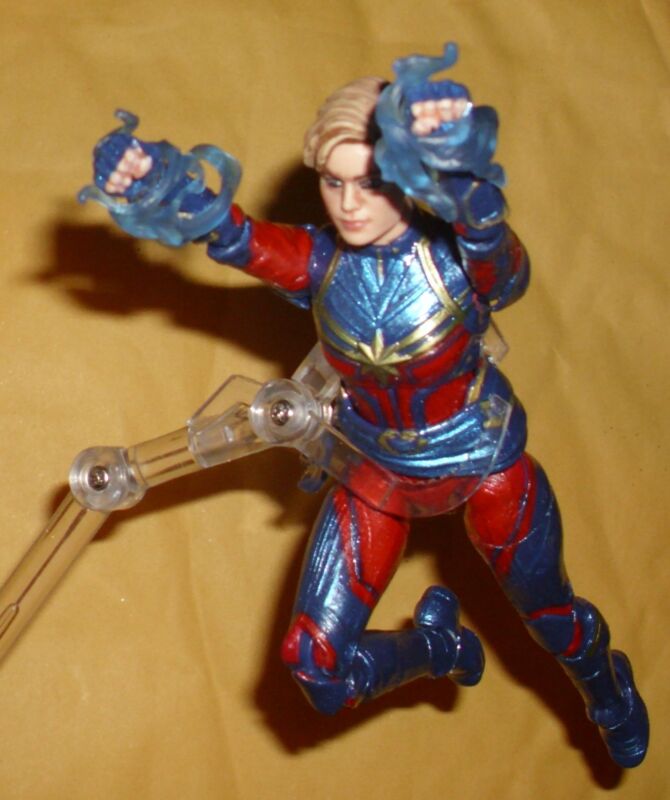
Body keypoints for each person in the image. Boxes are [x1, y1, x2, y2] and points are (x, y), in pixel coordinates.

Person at [89, 45, 648, 768]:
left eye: (372, 182)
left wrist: (458, 168)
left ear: (408, 177)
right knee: (316, 668)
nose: (350, 204)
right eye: (334, 181)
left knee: (552, 617)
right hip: (376, 473)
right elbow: (231, 235)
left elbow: (503, 263)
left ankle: (605, 690)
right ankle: (437, 647)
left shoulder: (456, 259)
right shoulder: (321, 264)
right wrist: (152, 178)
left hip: (481, 461)